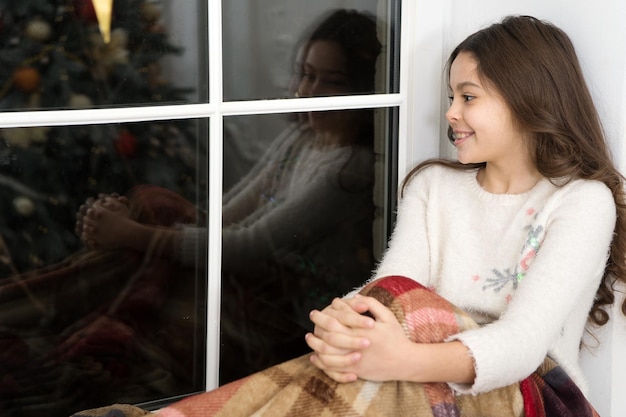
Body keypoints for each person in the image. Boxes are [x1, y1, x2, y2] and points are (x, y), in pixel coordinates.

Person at [305, 13, 626, 402]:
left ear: (528, 99)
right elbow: (393, 287)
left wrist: (400, 360)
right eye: (451, 97)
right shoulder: (433, 185)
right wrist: (344, 320)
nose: (451, 113)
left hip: (533, 391)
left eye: (468, 97)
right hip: (421, 368)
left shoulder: (582, 202)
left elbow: (523, 342)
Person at [77, 8, 381, 385]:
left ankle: (90, 320)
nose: (306, 91)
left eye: (330, 81)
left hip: (290, 313)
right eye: (305, 74)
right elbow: (223, 215)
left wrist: (131, 234)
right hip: (259, 280)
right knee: (155, 203)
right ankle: (87, 312)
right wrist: (136, 221)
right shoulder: (302, 138)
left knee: (157, 241)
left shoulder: (348, 168)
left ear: (360, 90)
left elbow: (249, 246)